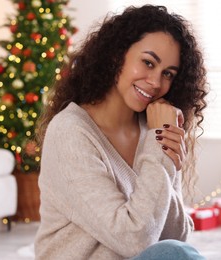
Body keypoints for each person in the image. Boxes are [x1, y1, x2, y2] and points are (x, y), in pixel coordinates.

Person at [35, 4, 207, 260]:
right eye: (148, 62)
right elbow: (135, 240)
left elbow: (175, 235)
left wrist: (168, 166)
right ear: (116, 55)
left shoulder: (153, 130)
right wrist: (157, 150)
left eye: (168, 74)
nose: (156, 83)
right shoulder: (69, 132)